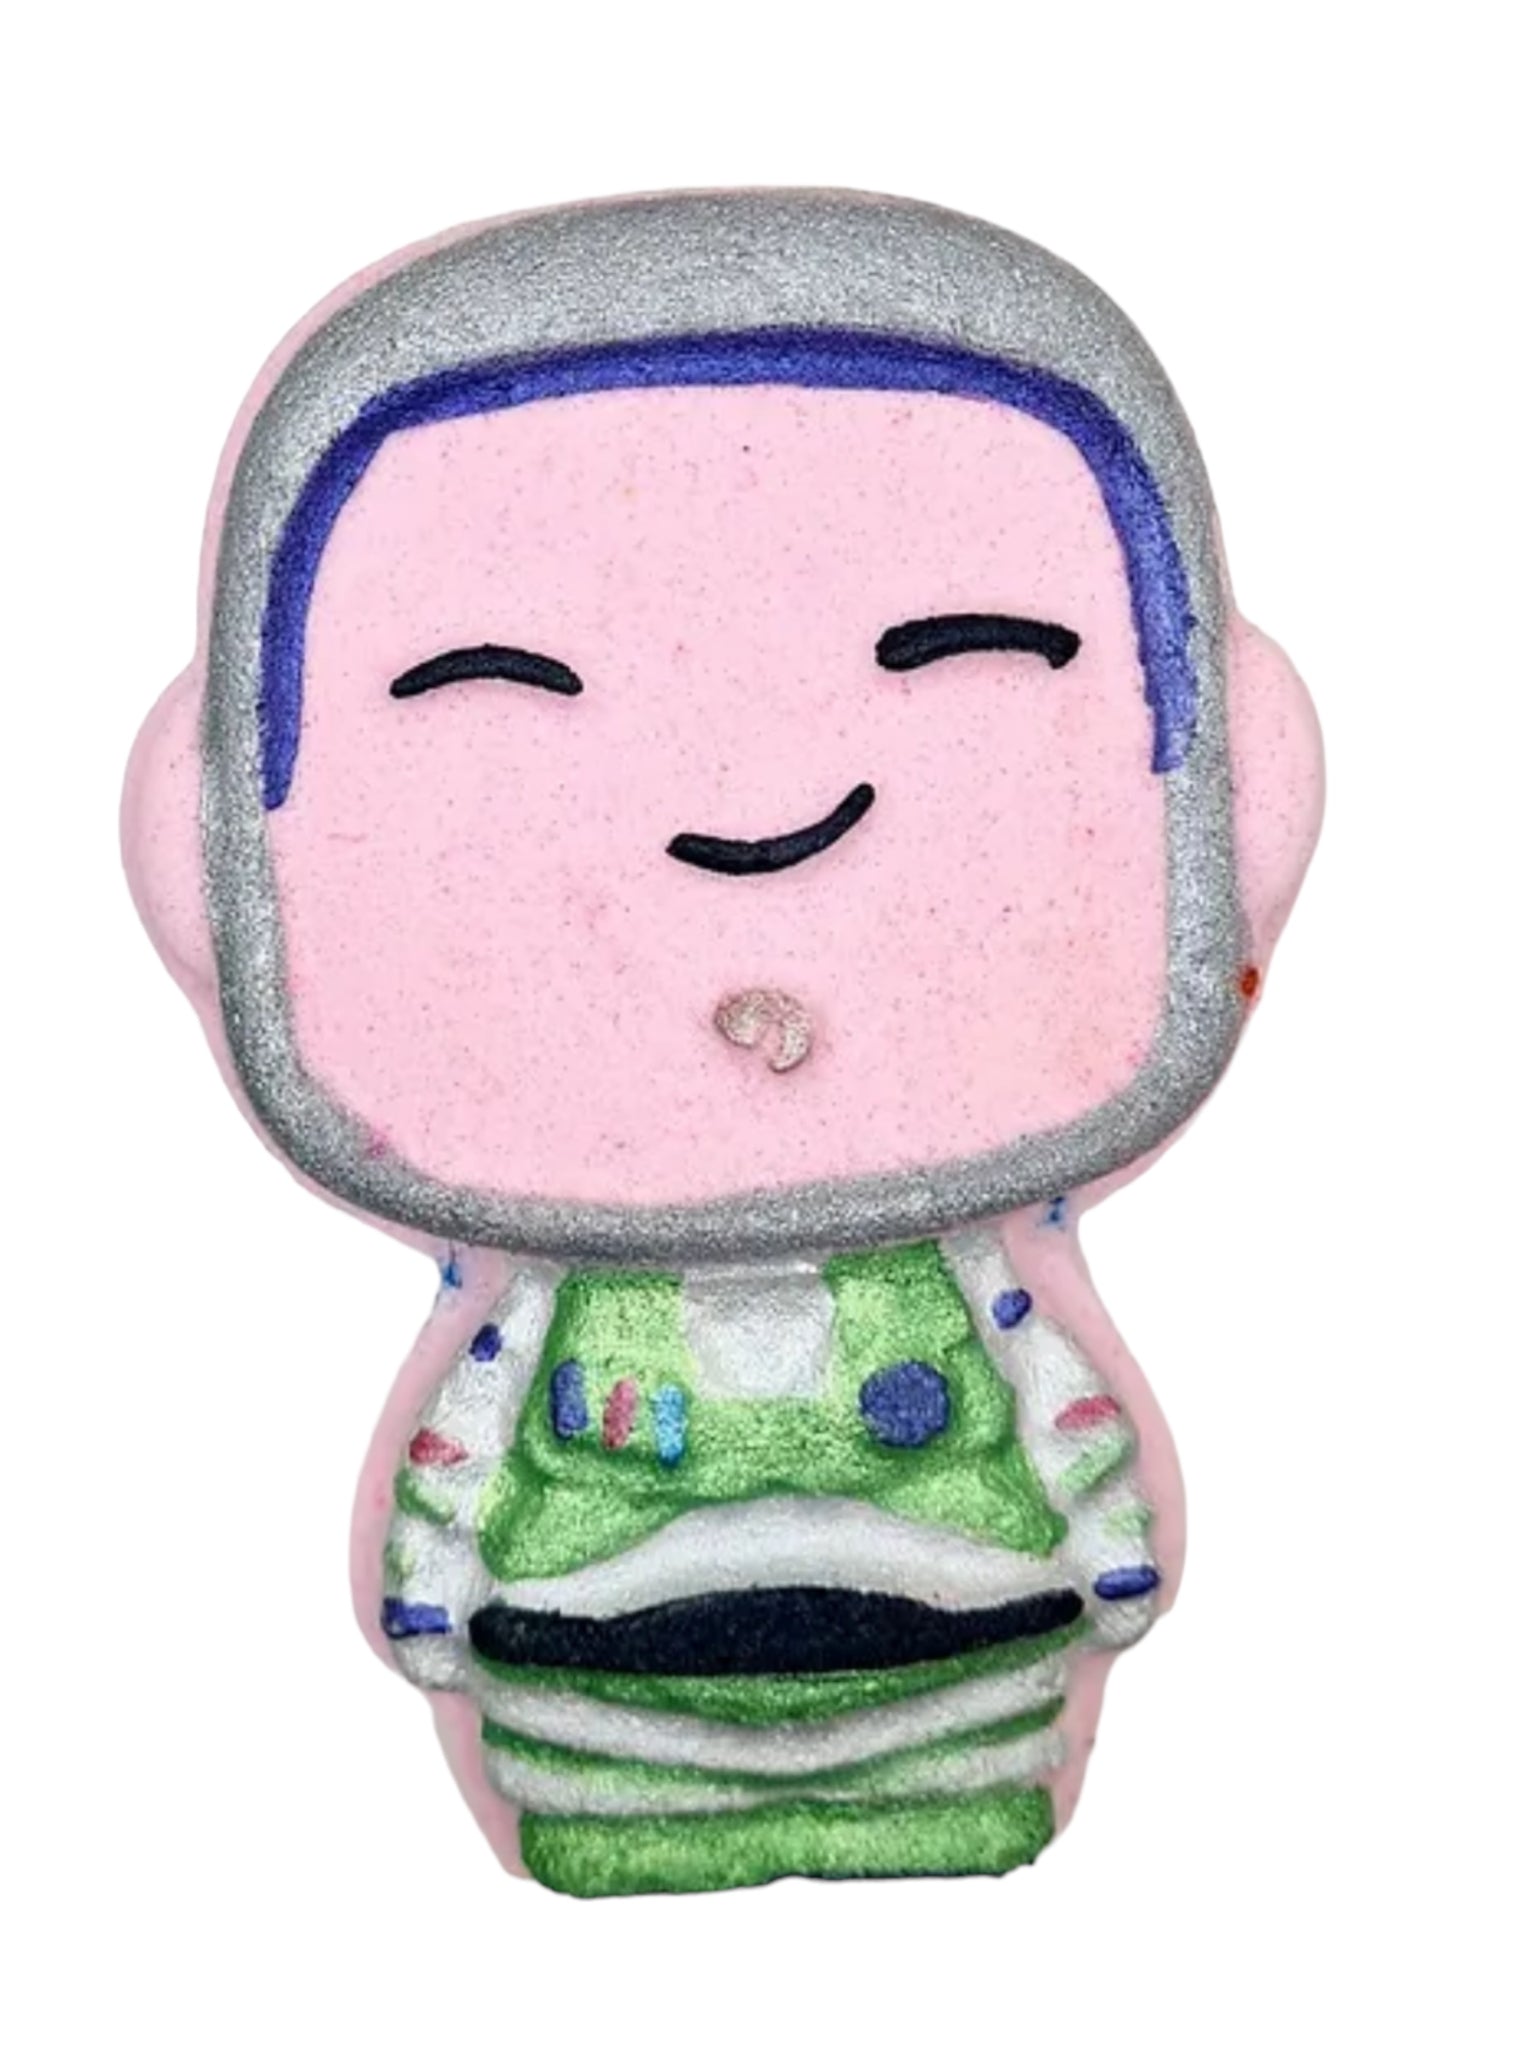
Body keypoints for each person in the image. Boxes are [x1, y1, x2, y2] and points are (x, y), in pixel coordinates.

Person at [125, 189, 1323, 1895]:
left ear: (1238, 790)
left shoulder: (979, 1273)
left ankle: (950, 1801)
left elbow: (1052, 1400)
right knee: (613, 1786)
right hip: (594, 1686)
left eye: (965, 652)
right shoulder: (556, 1287)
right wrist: (437, 1575)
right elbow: (471, 1434)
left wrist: (1108, 1537)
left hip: (968, 1666)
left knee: (954, 1773)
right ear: (210, 853)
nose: (751, 804)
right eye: (499, 686)